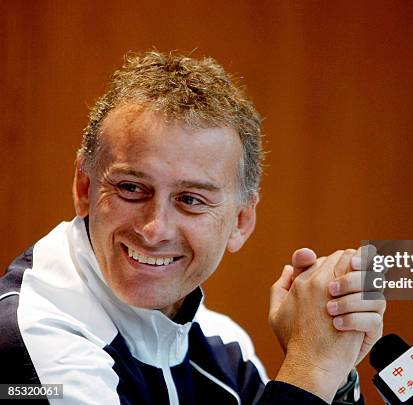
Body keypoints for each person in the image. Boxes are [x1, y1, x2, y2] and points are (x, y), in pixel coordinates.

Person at [0, 50, 385, 404]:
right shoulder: (33, 340)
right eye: (131, 188)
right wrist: (310, 370)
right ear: (85, 187)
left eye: (190, 200)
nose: (155, 229)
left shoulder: (224, 345)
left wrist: (335, 374)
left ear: (240, 221)